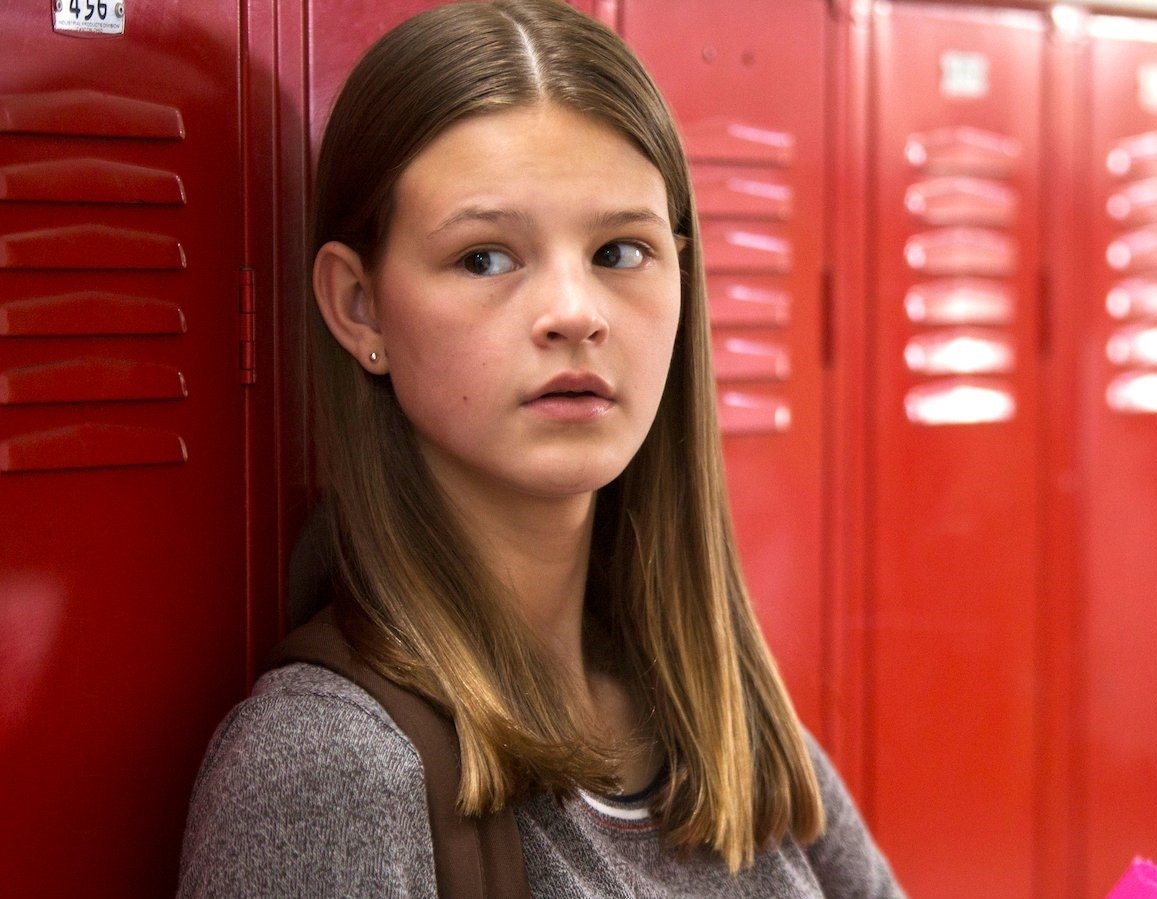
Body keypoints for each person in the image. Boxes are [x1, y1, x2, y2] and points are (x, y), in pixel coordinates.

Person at [176, 1, 903, 895]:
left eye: (620, 251)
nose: (576, 312)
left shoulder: (729, 726)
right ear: (360, 307)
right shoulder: (331, 770)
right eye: (486, 257)